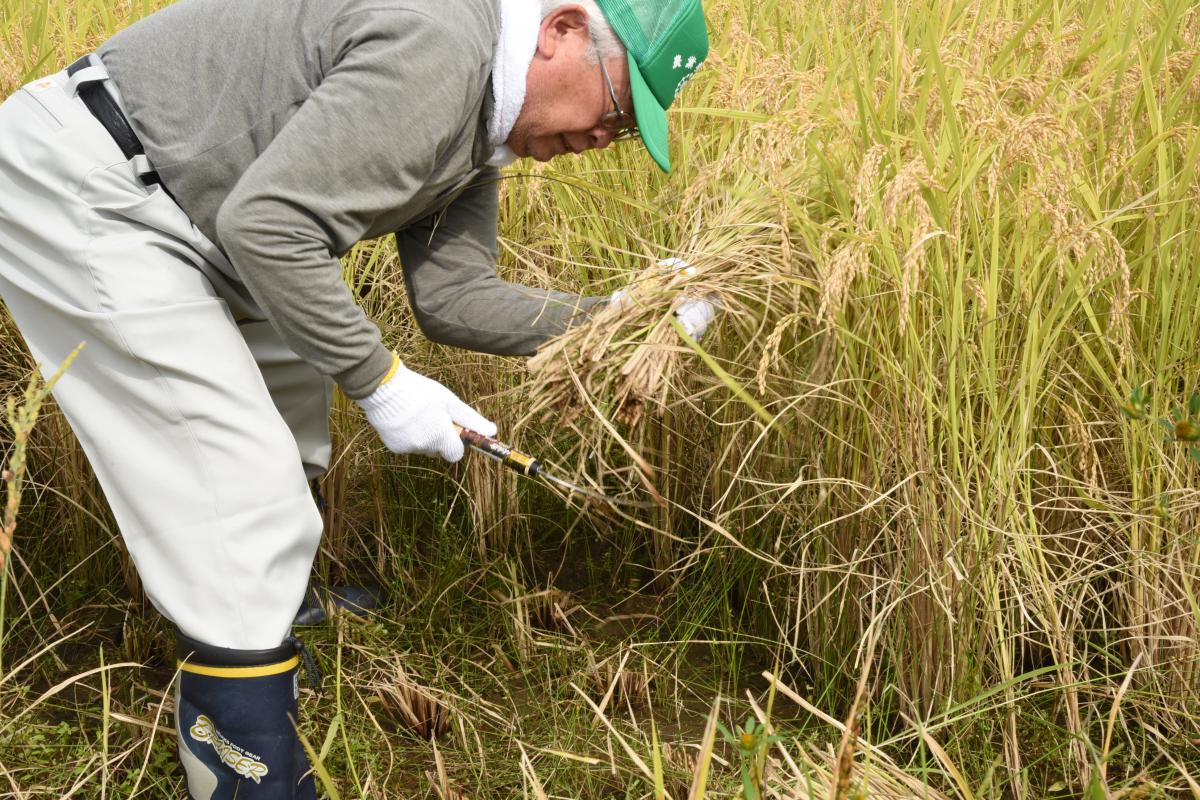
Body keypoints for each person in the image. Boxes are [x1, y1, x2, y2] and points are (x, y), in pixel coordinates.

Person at [0, 0, 711, 795]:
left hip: (202, 212)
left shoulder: (483, 124)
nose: (597, 139)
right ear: (564, 31)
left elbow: (456, 297)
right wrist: (381, 383)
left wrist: (619, 319)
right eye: (614, 109)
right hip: (96, 186)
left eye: (620, 133)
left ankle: (268, 616)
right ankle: (244, 765)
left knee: (288, 407)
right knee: (236, 479)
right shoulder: (441, 50)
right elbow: (271, 225)